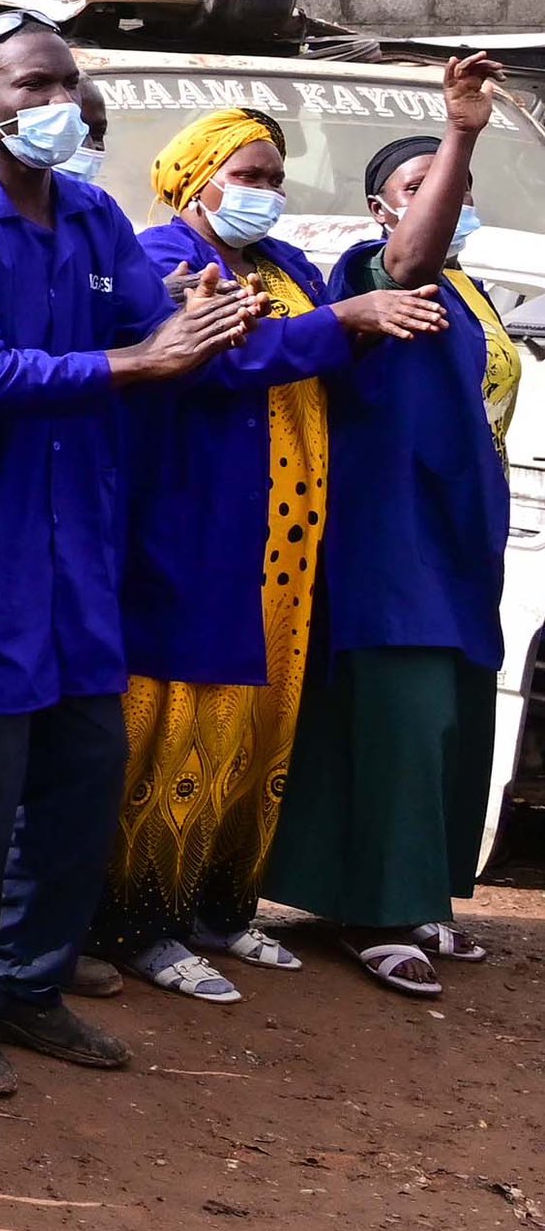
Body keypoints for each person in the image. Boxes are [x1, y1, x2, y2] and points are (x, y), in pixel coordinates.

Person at [0, 15, 261, 1097]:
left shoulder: (93, 212)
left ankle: (31, 982)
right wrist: (141, 359)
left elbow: (165, 333)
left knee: (77, 782)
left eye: (67, 81)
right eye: (31, 84)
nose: (56, 101)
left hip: (79, 565)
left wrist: (195, 326)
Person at [101, 109, 443, 1000]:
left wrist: (360, 321)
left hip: (285, 541)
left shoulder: (283, 264)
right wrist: (349, 316)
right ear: (196, 176)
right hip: (198, 517)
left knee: (257, 726)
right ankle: (140, 923)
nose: (266, 192)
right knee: (177, 721)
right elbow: (220, 361)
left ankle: (220, 907)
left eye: (274, 178)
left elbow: (335, 348)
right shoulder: (156, 258)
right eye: (248, 175)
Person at [270, 61, 523, 994]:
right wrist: (458, 133)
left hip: (459, 536)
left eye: (454, 188)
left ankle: (424, 894)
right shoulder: (380, 273)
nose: (448, 202)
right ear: (382, 210)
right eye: (418, 189)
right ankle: (369, 908)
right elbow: (413, 262)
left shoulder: (474, 292)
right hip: (390, 536)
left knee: (452, 712)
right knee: (398, 713)